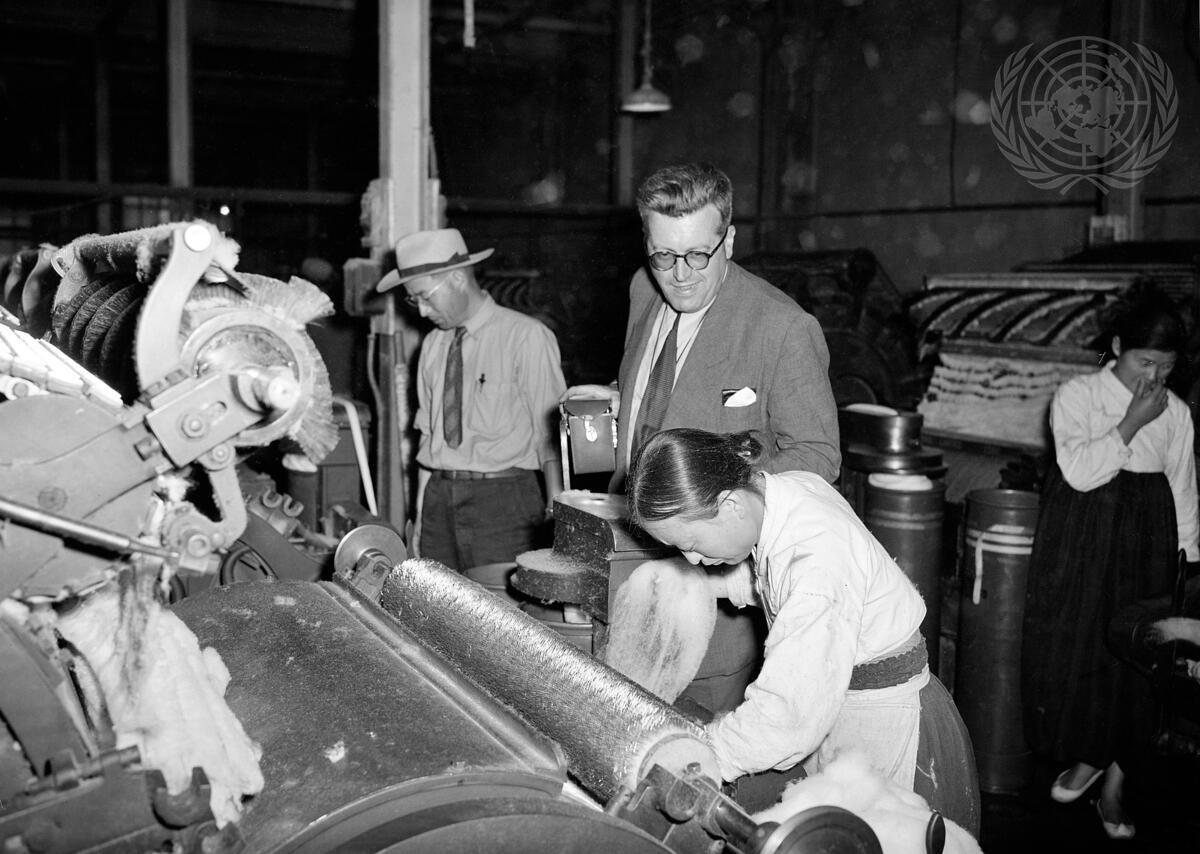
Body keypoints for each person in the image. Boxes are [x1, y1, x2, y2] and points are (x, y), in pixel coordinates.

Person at [565, 162, 840, 713]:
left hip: (710, 589)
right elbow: (667, 391)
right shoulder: (642, 289)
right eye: (663, 255)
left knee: (700, 733)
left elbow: (818, 456)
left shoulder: (782, 328)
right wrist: (623, 400)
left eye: (698, 255)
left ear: (728, 241)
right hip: (625, 558)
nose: (680, 275)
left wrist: (716, 501)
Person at [625, 427, 979, 834]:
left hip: (887, 724)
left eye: (691, 544)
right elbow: (777, 579)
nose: (691, 558)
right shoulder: (782, 492)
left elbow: (786, 719)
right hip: (841, 706)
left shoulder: (816, 556)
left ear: (730, 504)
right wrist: (701, 584)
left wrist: (701, 749)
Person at [1021, 291, 1199, 841]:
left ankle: (1116, 783)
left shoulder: (1178, 413)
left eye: (1167, 366)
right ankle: (1091, 753)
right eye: (1146, 361)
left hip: (1149, 541)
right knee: (1086, 650)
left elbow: (1182, 489)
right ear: (1118, 347)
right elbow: (1077, 472)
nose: (1156, 376)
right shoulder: (1078, 395)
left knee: (1141, 661)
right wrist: (1130, 422)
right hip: (1084, 539)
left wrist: (1187, 568)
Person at [377, 227, 565, 571]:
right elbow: (428, 439)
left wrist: (556, 512)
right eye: (414, 300)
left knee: (499, 604)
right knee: (435, 600)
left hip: (503, 502)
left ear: (457, 278)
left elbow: (550, 437)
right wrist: (420, 517)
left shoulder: (526, 337)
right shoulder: (432, 345)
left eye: (425, 297)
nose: (422, 311)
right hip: (438, 500)